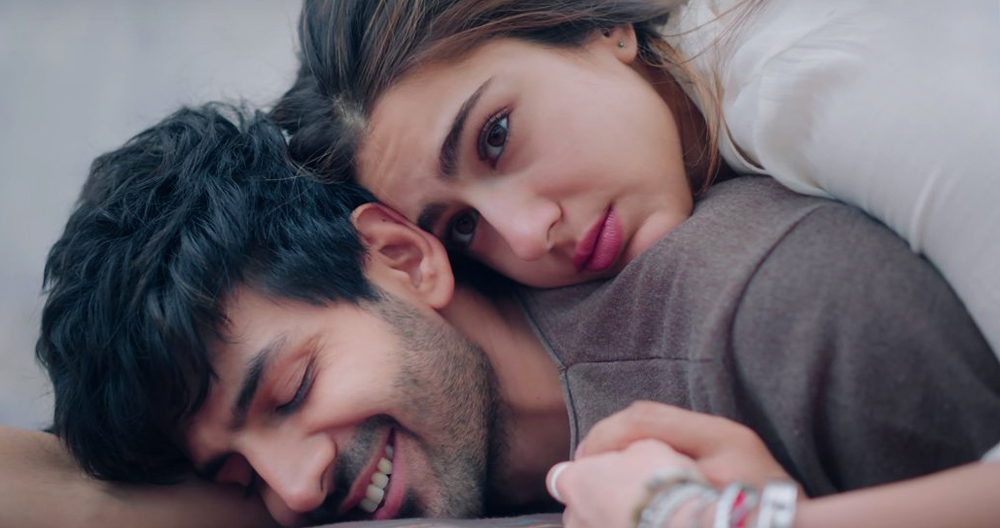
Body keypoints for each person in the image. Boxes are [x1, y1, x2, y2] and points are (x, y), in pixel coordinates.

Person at [19, 101, 1000, 528]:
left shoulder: (787, 316)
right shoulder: (382, 470)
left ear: (402, 257)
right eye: (238, 476)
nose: (292, 486)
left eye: (290, 390)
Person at [272, 0, 1000, 357]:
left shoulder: (808, 74)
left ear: (601, 27)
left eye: (496, 137)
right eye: (461, 226)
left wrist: (745, 527)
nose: (526, 236)